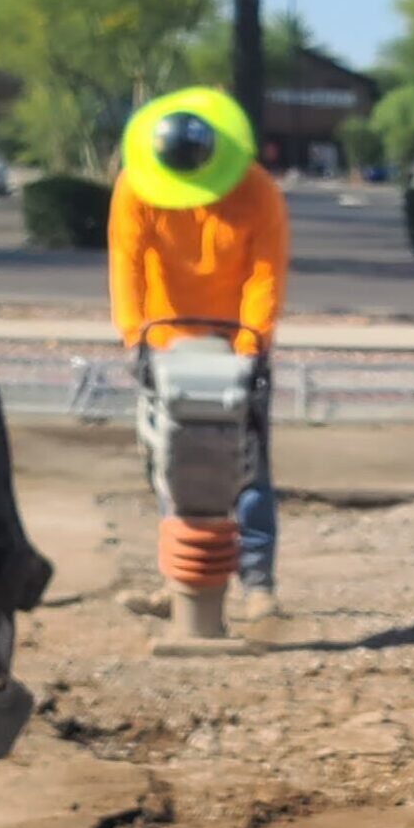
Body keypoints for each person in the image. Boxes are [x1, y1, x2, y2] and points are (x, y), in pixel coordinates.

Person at [108, 89, 289, 617]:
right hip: (166, 342)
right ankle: (182, 583)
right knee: (172, 462)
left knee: (247, 467)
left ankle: (258, 586)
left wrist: (252, 342)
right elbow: (128, 262)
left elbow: (265, 273)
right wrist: (133, 335)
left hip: (237, 345)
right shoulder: (137, 185)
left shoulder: (256, 191)